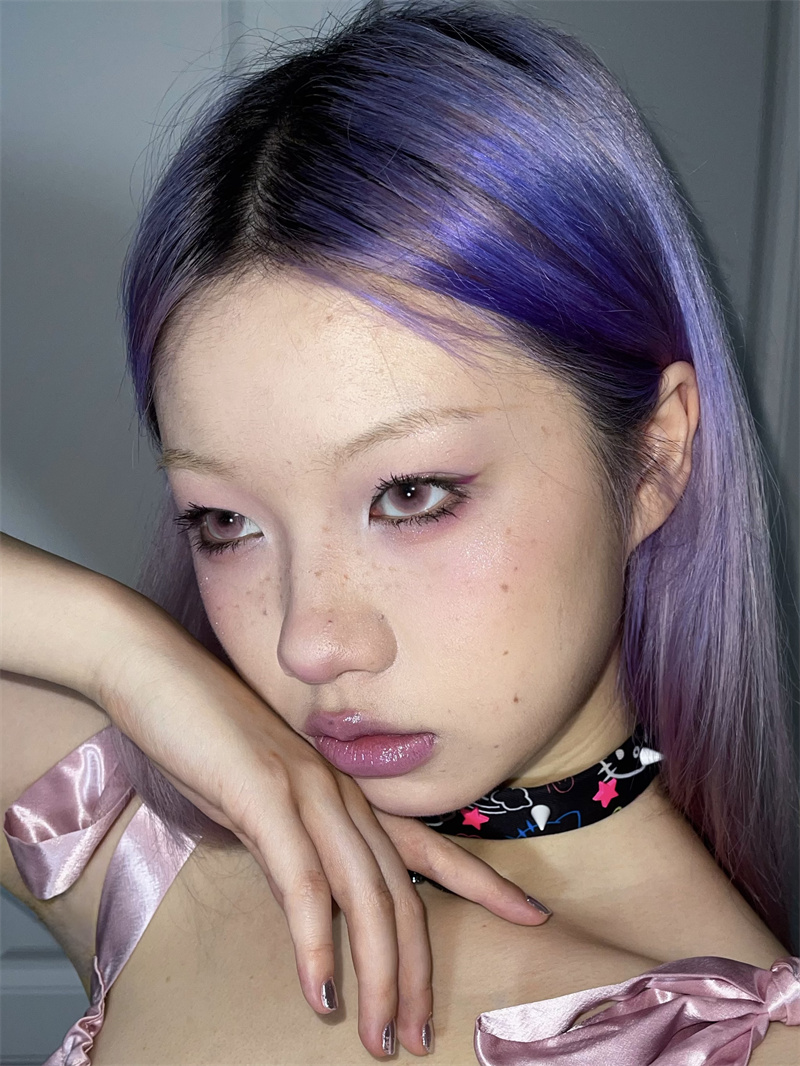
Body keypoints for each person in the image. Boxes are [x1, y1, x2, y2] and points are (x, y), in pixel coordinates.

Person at [2, 1, 798, 1063]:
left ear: (654, 458)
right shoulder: (129, 839)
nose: (309, 643)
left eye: (412, 494)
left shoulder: (725, 1043)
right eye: (224, 520)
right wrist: (122, 651)